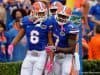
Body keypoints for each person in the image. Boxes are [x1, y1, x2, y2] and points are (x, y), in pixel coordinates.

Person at [8, 1, 54, 75]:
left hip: (41, 54)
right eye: (40, 13)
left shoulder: (47, 23)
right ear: (33, 12)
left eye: (43, 13)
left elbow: (50, 42)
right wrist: (12, 44)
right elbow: (20, 34)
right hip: (29, 54)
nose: (42, 16)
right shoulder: (26, 21)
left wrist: (50, 60)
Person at [46, 6, 80, 75]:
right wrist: (50, 46)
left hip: (67, 55)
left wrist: (57, 49)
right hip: (56, 55)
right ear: (56, 14)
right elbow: (49, 34)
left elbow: (71, 49)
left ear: (69, 17)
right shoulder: (52, 21)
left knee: (65, 72)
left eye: (64, 17)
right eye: (60, 15)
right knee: (54, 73)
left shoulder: (71, 28)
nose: (61, 18)